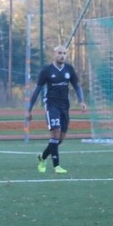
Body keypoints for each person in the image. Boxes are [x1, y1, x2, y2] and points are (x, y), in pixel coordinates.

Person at [26, 44, 87, 174]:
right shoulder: (47, 71)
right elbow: (37, 91)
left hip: (65, 106)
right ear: (54, 54)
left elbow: (77, 86)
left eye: (64, 53)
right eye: (59, 53)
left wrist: (81, 101)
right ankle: (56, 166)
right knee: (55, 132)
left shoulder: (69, 69)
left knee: (60, 139)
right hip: (51, 105)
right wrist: (29, 109)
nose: (62, 56)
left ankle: (42, 157)